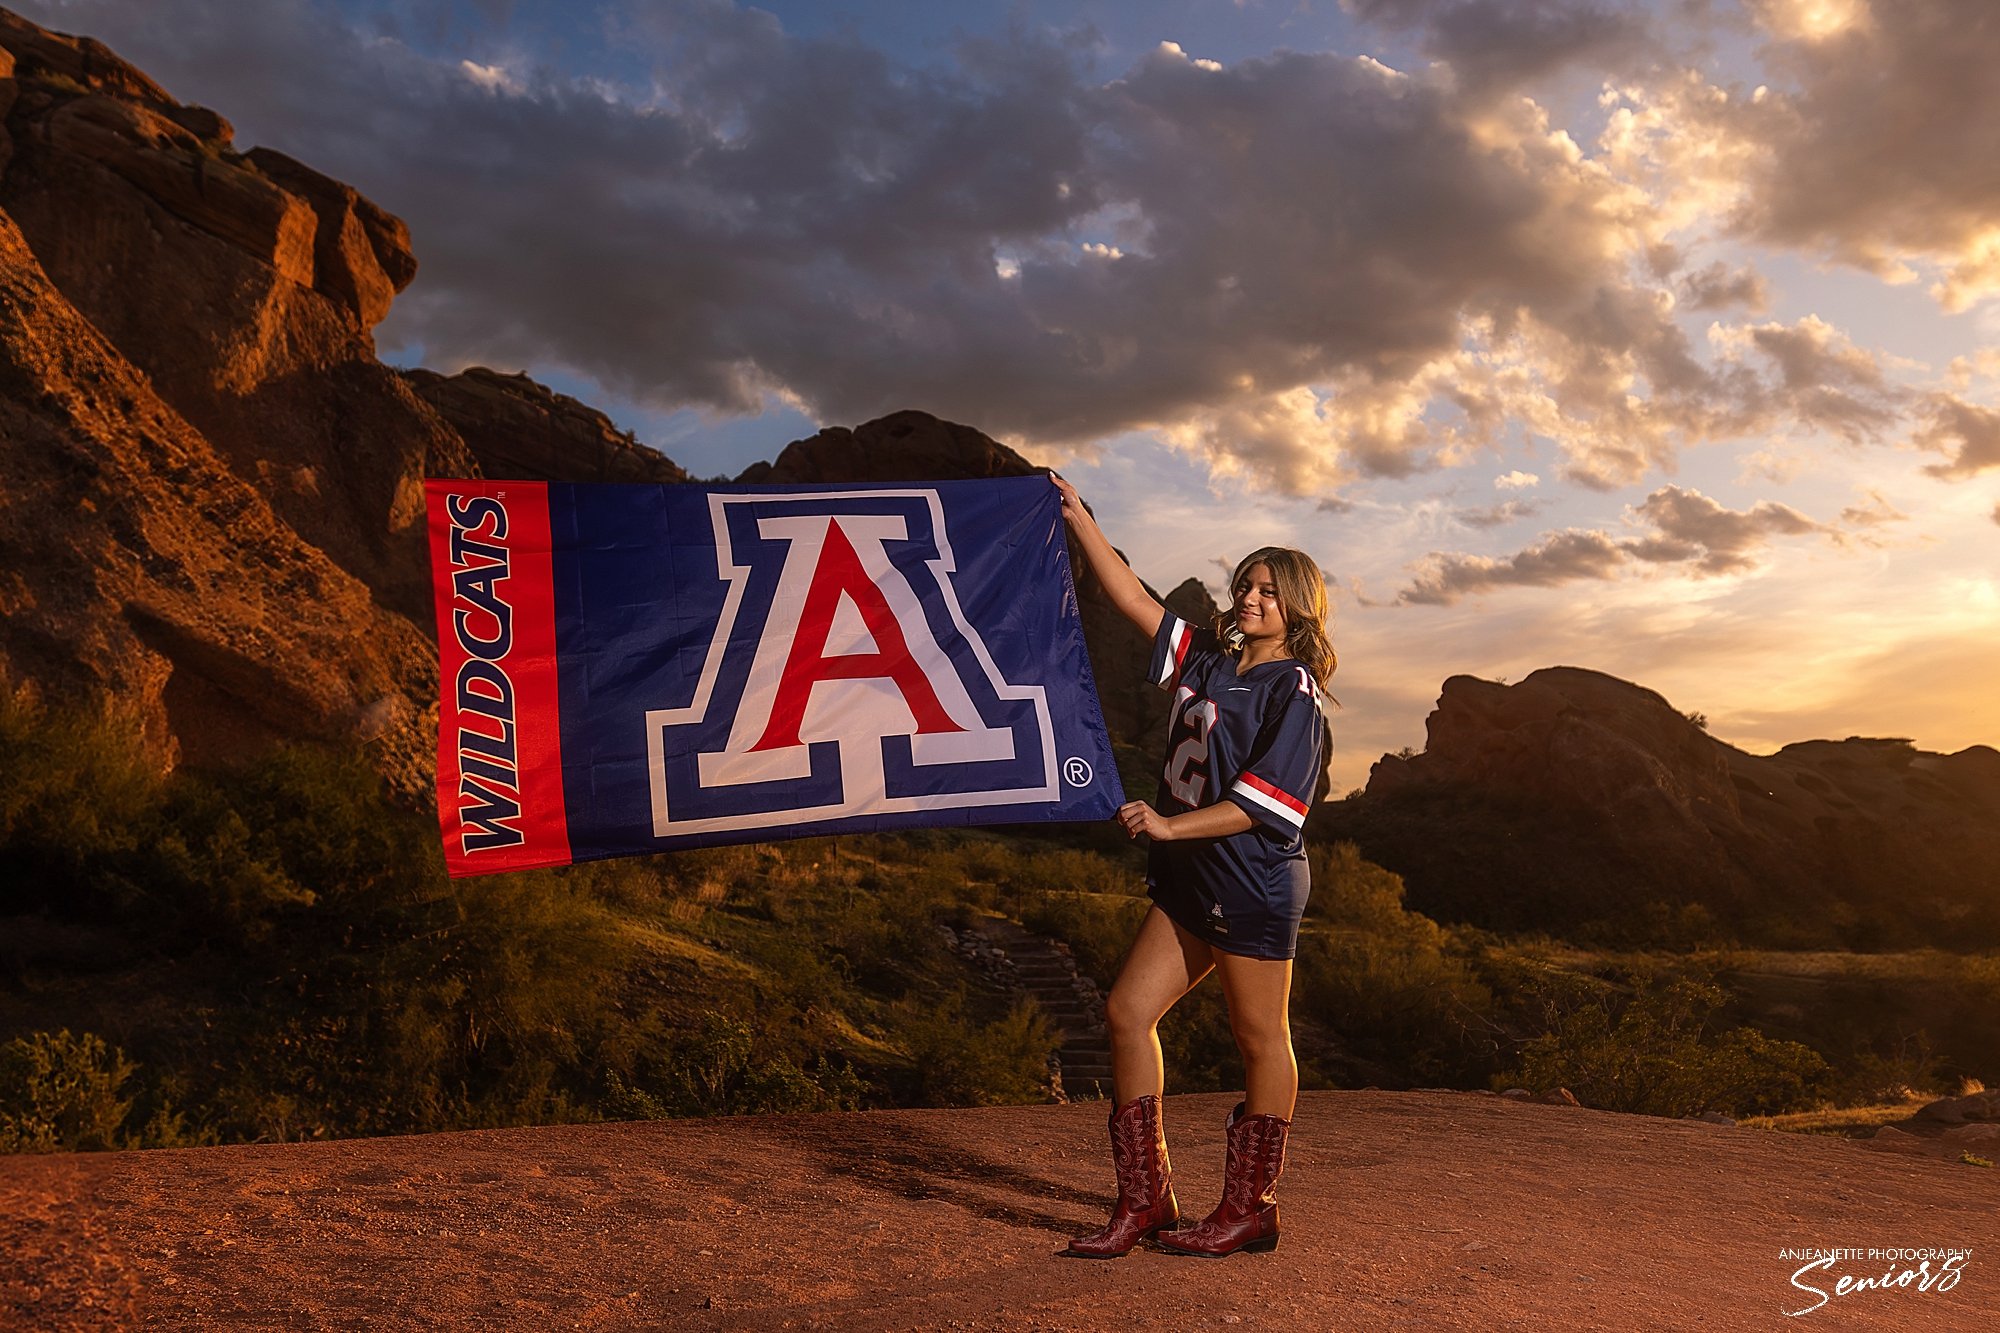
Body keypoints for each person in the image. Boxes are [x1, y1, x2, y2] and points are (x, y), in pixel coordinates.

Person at [1049, 472, 1334, 1261]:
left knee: (1258, 1037)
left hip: (1252, 877)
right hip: (1191, 875)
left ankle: (1250, 1209)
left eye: (1270, 592)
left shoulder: (1295, 690)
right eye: (1245, 584)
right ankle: (1145, 1199)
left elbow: (1262, 804)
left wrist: (1170, 826)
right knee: (1126, 1012)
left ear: (1299, 607)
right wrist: (1079, 519)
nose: (1250, 598)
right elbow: (1133, 602)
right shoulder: (1209, 658)